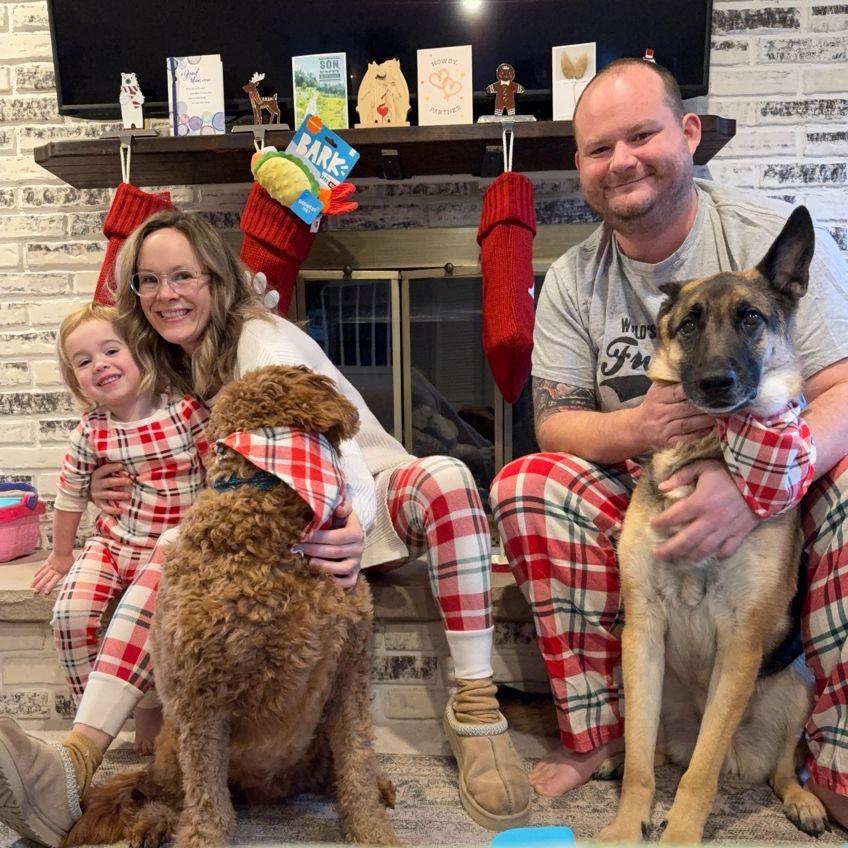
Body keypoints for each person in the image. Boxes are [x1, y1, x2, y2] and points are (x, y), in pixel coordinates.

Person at [0, 209, 529, 847]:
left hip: (362, 505)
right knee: (175, 554)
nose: (167, 294)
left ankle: (476, 709)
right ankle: (78, 759)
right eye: (149, 281)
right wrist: (110, 482)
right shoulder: (177, 360)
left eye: (183, 276)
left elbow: (343, 451)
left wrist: (352, 523)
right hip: (281, 536)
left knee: (443, 475)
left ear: (218, 279)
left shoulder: (260, 344)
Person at [490, 57, 848, 825]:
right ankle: (600, 737)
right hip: (643, 479)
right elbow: (554, 419)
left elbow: (843, 391)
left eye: (641, 134)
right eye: (598, 147)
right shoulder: (573, 278)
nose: (621, 160)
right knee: (526, 481)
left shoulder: (759, 239)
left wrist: (758, 492)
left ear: (688, 133)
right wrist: (640, 427)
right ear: (581, 166)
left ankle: (832, 752)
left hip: (778, 481)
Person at [30, 303, 208, 758]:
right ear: (76, 380)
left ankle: (148, 702)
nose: (100, 364)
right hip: (112, 544)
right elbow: (70, 495)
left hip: (171, 546)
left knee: (142, 620)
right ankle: (96, 714)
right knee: (68, 615)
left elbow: (219, 471)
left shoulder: (185, 412)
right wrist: (61, 556)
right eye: (84, 361)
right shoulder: (91, 431)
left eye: (112, 350)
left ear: (143, 352)